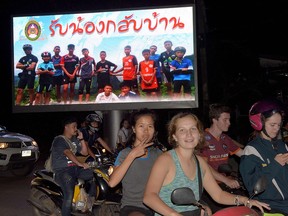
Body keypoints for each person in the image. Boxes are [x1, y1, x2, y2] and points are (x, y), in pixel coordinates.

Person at [143, 112, 270, 215]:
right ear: (174, 136)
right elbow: (149, 197)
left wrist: (246, 201)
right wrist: (174, 215)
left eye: (193, 129)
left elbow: (218, 195)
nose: (189, 134)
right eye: (182, 130)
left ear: (199, 134)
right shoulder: (166, 160)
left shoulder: (200, 162)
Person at [108, 108, 163, 216]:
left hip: (157, 205)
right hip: (133, 207)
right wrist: (132, 155)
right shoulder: (125, 153)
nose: (146, 131)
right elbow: (112, 183)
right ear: (133, 129)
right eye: (141, 126)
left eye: (150, 126)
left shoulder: (159, 154)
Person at [240, 99, 288, 215]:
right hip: (271, 208)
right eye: (272, 125)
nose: (277, 128)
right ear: (259, 123)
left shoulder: (283, 146)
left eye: (279, 124)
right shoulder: (251, 150)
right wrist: (275, 164)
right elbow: (252, 186)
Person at [199, 103, 244, 212]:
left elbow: (244, 155)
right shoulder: (202, 139)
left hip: (224, 185)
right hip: (207, 187)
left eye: (229, 119)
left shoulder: (225, 138)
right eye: (225, 120)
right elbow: (203, 167)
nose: (229, 123)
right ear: (214, 120)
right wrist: (226, 180)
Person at [50, 116, 96, 216]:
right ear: (66, 127)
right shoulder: (59, 140)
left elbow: (84, 152)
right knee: (69, 195)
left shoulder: (74, 140)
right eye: (74, 127)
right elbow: (67, 152)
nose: (76, 129)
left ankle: (87, 202)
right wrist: (79, 163)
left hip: (74, 169)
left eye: (76, 126)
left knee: (94, 175)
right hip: (63, 171)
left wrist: (82, 139)